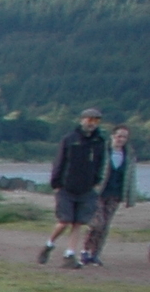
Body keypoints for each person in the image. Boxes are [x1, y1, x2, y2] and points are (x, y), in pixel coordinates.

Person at [44, 108, 107, 267]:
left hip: (86, 189)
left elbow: (101, 164)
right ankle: (49, 244)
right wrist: (56, 184)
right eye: (89, 120)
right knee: (64, 221)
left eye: (96, 121)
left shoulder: (99, 141)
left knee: (78, 222)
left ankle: (70, 255)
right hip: (66, 187)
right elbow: (59, 162)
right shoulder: (69, 139)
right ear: (82, 120)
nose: (92, 124)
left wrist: (96, 181)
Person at [83, 124, 132, 266]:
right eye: (119, 136)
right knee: (97, 224)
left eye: (124, 137)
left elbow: (130, 177)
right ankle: (85, 251)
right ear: (112, 136)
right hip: (99, 192)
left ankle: (95, 254)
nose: (121, 139)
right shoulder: (103, 151)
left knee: (105, 226)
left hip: (115, 194)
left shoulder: (128, 155)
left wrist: (129, 196)